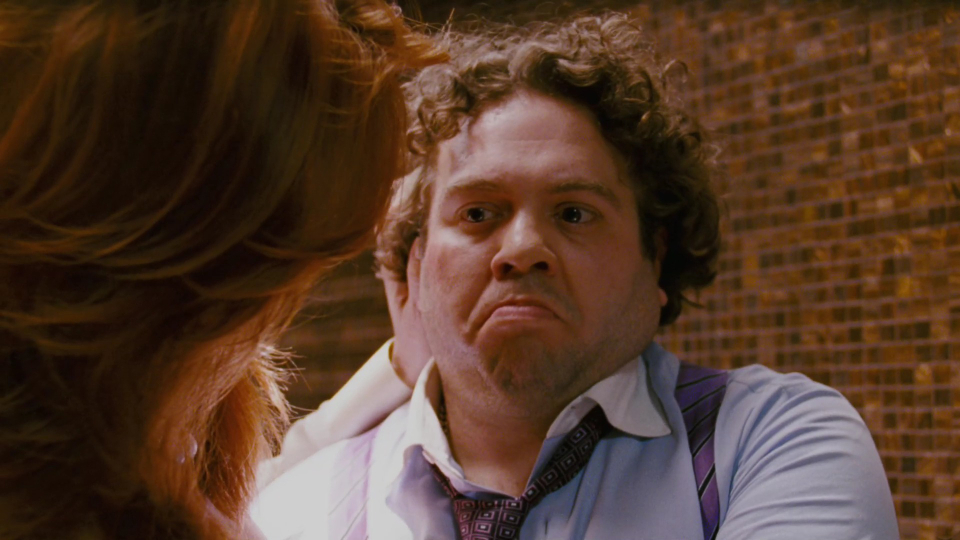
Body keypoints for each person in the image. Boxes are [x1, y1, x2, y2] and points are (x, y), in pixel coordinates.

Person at [252, 12, 899, 540]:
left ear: (656, 258)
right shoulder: (295, 511)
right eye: (478, 213)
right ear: (415, 271)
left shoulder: (773, 444)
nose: (522, 249)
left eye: (574, 213)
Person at [0, 1, 444, 538]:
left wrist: (399, 368)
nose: (273, 316)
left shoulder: (167, 418)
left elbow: (264, 489)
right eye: (284, 270)